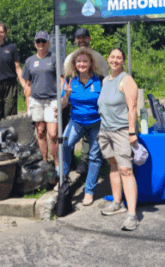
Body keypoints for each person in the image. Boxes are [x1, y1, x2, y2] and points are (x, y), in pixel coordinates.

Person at [98, 48, 140, 231]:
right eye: (112, 57)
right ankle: (117, 202)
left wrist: (132, 132)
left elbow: (133, 108)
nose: (115, 60)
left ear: (123, 61)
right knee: (113, 165)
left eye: (119, 57)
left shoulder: (127, 80)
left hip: (121, 132)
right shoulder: (105, 80)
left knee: (126, 170)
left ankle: (132, 215)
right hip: (105, 131)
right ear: (108, 59)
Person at [59, 47, 105, 206]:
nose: (82, 64)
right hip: (76, 121)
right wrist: (66, 95)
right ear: (74, 64)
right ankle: (63, 178)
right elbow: (62, 105)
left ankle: (89, 191)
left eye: (85, 61)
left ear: (91, 63)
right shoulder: (70, 80)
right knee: (64, 144)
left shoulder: (99, 80)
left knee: (94, 156)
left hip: (96, 123)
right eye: (79, 61)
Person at [65, 27, 108, 176]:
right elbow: (66, 76)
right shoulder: (71, 57)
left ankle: (91, 159)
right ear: (76, 40)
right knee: (74, 134)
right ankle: (83, 161)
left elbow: (104, 76)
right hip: (77, 101)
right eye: (79, 38)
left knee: (93, 131)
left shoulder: (98, 58)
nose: (82, 40)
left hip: (95, 102)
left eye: (84, 37)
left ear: (89, 39)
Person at [22, 31, 59, 168]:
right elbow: (27, 85)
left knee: (53, 133)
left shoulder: (54, 59)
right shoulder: (29, 61)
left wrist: (62, 99)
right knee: (41, 132)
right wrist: (28, 106)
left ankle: (57, 163)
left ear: (48, 43)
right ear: (35, 44)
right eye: (38, 42)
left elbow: (61, 79)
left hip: (51, 100)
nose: (41, 44)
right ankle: (44, 161)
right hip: (36, 101)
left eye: (44, 41)